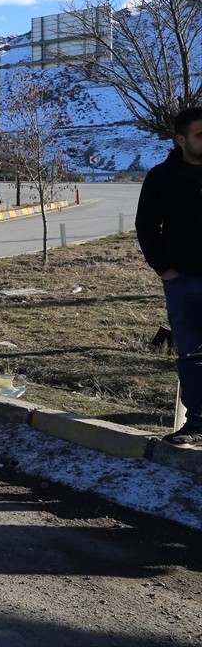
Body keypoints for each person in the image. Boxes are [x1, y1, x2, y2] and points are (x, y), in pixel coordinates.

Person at [136, 106, 202, 444]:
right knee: (192, 354)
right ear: (180, 140)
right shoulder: (161, 177)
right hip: (184, 283)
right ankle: (196, 424)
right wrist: (166, 270)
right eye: (200, 135)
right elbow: (146, 227)